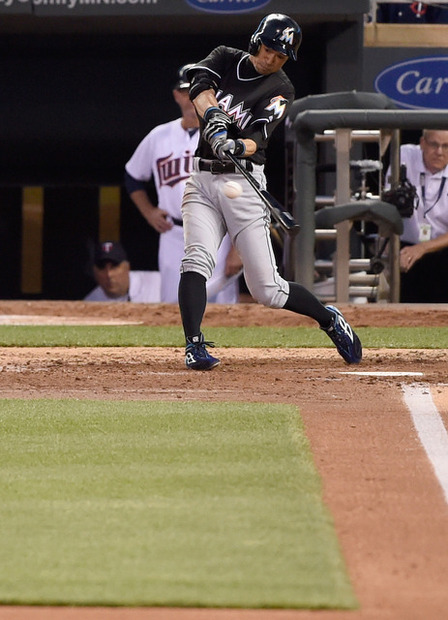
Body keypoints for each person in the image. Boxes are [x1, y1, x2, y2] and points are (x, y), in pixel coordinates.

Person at [177, 12, 362, 370]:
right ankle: (194, 345)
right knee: (196, 259)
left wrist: (237, 146)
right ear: (256, 41)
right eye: (269, 50)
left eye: (280, 56)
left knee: (267, 289)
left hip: (243, 183)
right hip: (201, 180)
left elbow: (258, 136)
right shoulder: (225, 57)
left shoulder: (281, 87)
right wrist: (215, 119)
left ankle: (329, 319)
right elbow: (198, 87)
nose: (272, 59)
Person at [124, 64, 242, 304]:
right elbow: (132, 176)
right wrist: (149, 212)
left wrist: (238, 247)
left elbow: (246, 192)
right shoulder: (159, 136)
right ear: (177, 95)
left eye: (199, 92)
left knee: (220, 310)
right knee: (172, 307)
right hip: (173, 234)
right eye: (187, 92)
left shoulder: (228, 137)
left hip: (217, 232)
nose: (192, 99)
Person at [388, 129, 448, 302]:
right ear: (422, 143)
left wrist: (422, 248)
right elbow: (388, 203)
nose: (439, 152)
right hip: (405, 247)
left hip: (442, 249)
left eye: (446, 146)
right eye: (434, 144)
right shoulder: (404, 155)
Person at [84, 241, 161, 302]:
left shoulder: (158, 282)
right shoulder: (90, 302)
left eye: (114, 267)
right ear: (94, 271)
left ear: (127, 267)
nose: (109, 274)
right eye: (102, 267)